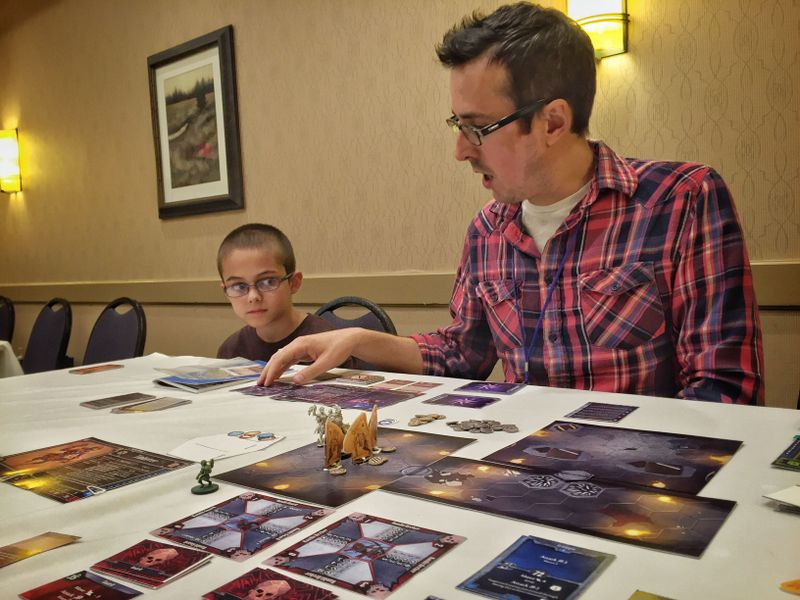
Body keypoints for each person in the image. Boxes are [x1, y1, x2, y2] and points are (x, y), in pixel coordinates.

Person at [260, 2, 764, 405]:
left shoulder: (682, 200)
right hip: (518, 472)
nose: (461, 151)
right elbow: (464, 353)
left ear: (553, 122)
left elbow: (725, 391)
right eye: (457, 126)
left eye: (478, 128)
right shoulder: (487, 230)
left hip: (644, 478)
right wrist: (357, 340)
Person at [217, 223, 348, 364]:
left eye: (268, 281)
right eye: (239, 286)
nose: (253, 297)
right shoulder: (231, 351)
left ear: (293, 283)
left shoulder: (327, 344)